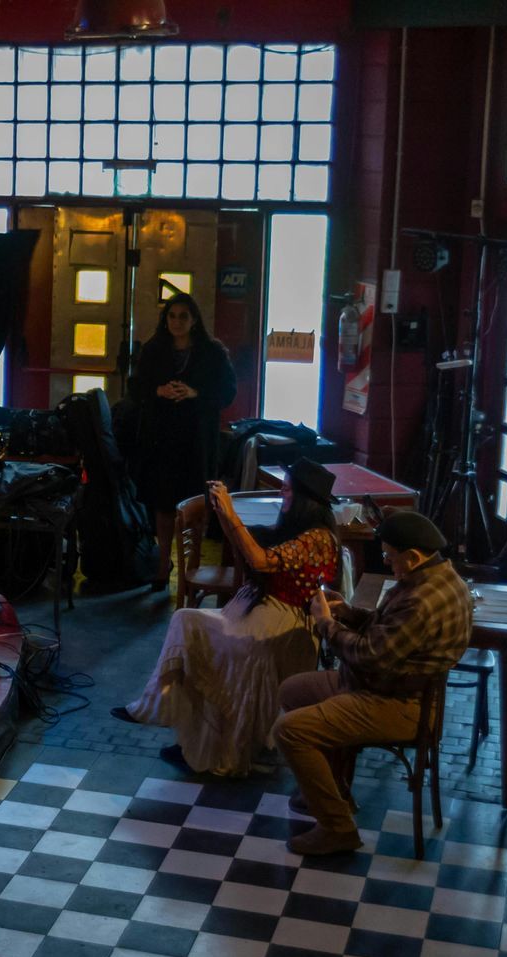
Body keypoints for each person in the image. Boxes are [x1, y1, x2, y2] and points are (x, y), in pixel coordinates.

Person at [116, 458, 341, 776]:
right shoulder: (299, 527)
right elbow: (250, 549)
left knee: (199, 632)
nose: (281, 493)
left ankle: (198, 738)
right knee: (187, 622)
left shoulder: (317, 538)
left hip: (283, 622)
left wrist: (229, 512)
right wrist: (224, 513)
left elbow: (261, 562)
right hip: (265, 609)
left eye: (287, 489)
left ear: (305, 498)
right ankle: (167, 717)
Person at [273, 510, 473, 856]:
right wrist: (349, 613)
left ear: (412, 556)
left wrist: (325, 625)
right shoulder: (434, 577)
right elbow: (392, 635)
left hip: (400, 704)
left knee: (291, 731)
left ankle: (337, 827)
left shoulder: (422, 599)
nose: (387, 562)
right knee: (293, 690)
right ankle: (335, 789)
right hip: (382, 685)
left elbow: (368, 655)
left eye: (389, 557)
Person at [128, 292, 238, 591]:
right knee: (163, 505)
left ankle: (194, 565)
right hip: (161, 437)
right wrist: (158, 391)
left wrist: (195, 393)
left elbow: (228, 392)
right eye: (172, 316)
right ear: (165, 319)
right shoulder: (153, 349)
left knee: (196, 503)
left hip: (197, 439)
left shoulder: (212, 352)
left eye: (183, 316)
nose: (177, 322)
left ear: (194, 320)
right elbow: (135, 388)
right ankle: (164, 563)